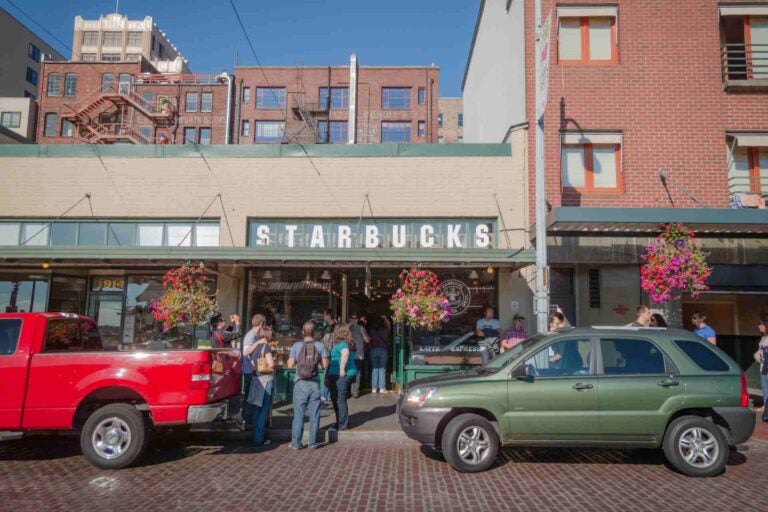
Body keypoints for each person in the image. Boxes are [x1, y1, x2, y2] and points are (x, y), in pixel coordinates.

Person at [287, 321, 329, 449]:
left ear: (302, 332)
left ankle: (296, 443)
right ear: (315, 333)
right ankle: (313, 443)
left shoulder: (297, 346)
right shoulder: (320, 346)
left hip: (300, 382)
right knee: (314, 414)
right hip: (314, 383)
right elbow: (325, 365)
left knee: (298, 415)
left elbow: (290, 364)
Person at [244, 326, 275, 446]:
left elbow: (248, 355)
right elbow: (271, 364)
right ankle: (259, 438)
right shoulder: (266, 347)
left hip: (256, 379)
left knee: (257, 409)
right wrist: (274, 363)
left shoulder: (255, 347)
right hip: (265, 379)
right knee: (264, 410)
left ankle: (255, 436)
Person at [326, 323, 357, 430]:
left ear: (340, 333)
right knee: (336, 398)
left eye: (336, 331)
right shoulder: (345, 343)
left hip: (341, 375)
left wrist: (342, 369)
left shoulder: (343, 344)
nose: (334, 333)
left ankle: (342, 425)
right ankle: (340, 422)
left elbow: (345, 353)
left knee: (340, 399)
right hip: (336, 374)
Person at [240, 314, 266, 429]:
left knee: (251, 396)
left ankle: (248, 420)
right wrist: (258, 343)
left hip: (251, 370)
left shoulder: (253, 335)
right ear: (261, 324)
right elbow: (246, 352)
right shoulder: (251, 336)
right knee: (249, 397)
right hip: (249, 370)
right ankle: (246, 421)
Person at [349, 312, 370, 398]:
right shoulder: (361, 328)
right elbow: (366, 340)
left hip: (348, 353)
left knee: (349, 371)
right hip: (358, 354)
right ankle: (355, 391)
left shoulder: (347, 327)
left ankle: (350, 390)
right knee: (357, 372)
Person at [319, 309, 338, 404]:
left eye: (324, 315)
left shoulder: (332, 328)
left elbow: (326, 342)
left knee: (328, 374)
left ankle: (324, 395)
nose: (323, 317)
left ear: (328, 315)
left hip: (330, 353)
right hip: (331, 352)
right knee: (330, 374)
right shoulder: (331, 327)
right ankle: (329, 394)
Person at [369, 315, 391, 394]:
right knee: (382, 369)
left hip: (374, 349)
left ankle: (374, 388)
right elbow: (389, 326)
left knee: (375, 369)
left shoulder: (372, 330)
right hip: (383, 350)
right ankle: (381, 388)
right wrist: (386, 318)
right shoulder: (385, 330)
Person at [755, 319, 768, 422]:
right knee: (764, 388)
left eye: (761, 325)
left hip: (767, 366)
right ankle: (765, 406)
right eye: (759, 325)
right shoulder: (763, 337)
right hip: (763, 365)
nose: (759, 327)